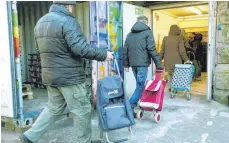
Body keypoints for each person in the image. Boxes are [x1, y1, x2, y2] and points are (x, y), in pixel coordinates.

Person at [20, 1, 113, 143]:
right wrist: (104, 54)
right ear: (68, 6)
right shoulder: (68, 21)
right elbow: (80, 48)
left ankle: (30, 136)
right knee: (82, 111)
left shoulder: (41, 22)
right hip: (70, 78)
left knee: (53, 109)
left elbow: (39, 49)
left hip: (51, 77)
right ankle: (84, 141)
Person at [123, 16, 164, 110]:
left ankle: (139, 102)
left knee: (139, 84)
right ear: (146, 23)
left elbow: (125, 50)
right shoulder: (147, 32)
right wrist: (159, 65)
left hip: (133, 64)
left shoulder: (130, 35)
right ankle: (130, 106)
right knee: (140, 86)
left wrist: (126, 64)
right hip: (142, 64)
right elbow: (151, 49)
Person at [159, 25, 189, 91]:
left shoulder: (165, 38)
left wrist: (159, 59)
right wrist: (186, 60)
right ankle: (175, 87)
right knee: (176, 74)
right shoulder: (179, 39)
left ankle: (170, 87)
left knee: (169, 74)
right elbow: (182, 51)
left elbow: (162, 50)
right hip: (177, 60)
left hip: (168, 60)